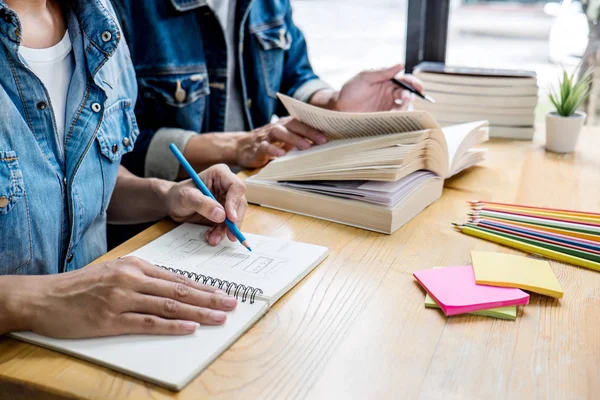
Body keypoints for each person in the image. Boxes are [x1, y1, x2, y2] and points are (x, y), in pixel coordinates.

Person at [0, 0, 247, 339]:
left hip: (99, 347)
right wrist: (42, 299)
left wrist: (167, 195)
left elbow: (80, 185)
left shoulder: (98, 20)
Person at [112, 0, 424, 181]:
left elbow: (293, 76)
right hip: (156, 222)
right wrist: (237, 147)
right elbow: (114, 151)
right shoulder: (122, 8)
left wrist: (336, 105)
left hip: (250, 189)